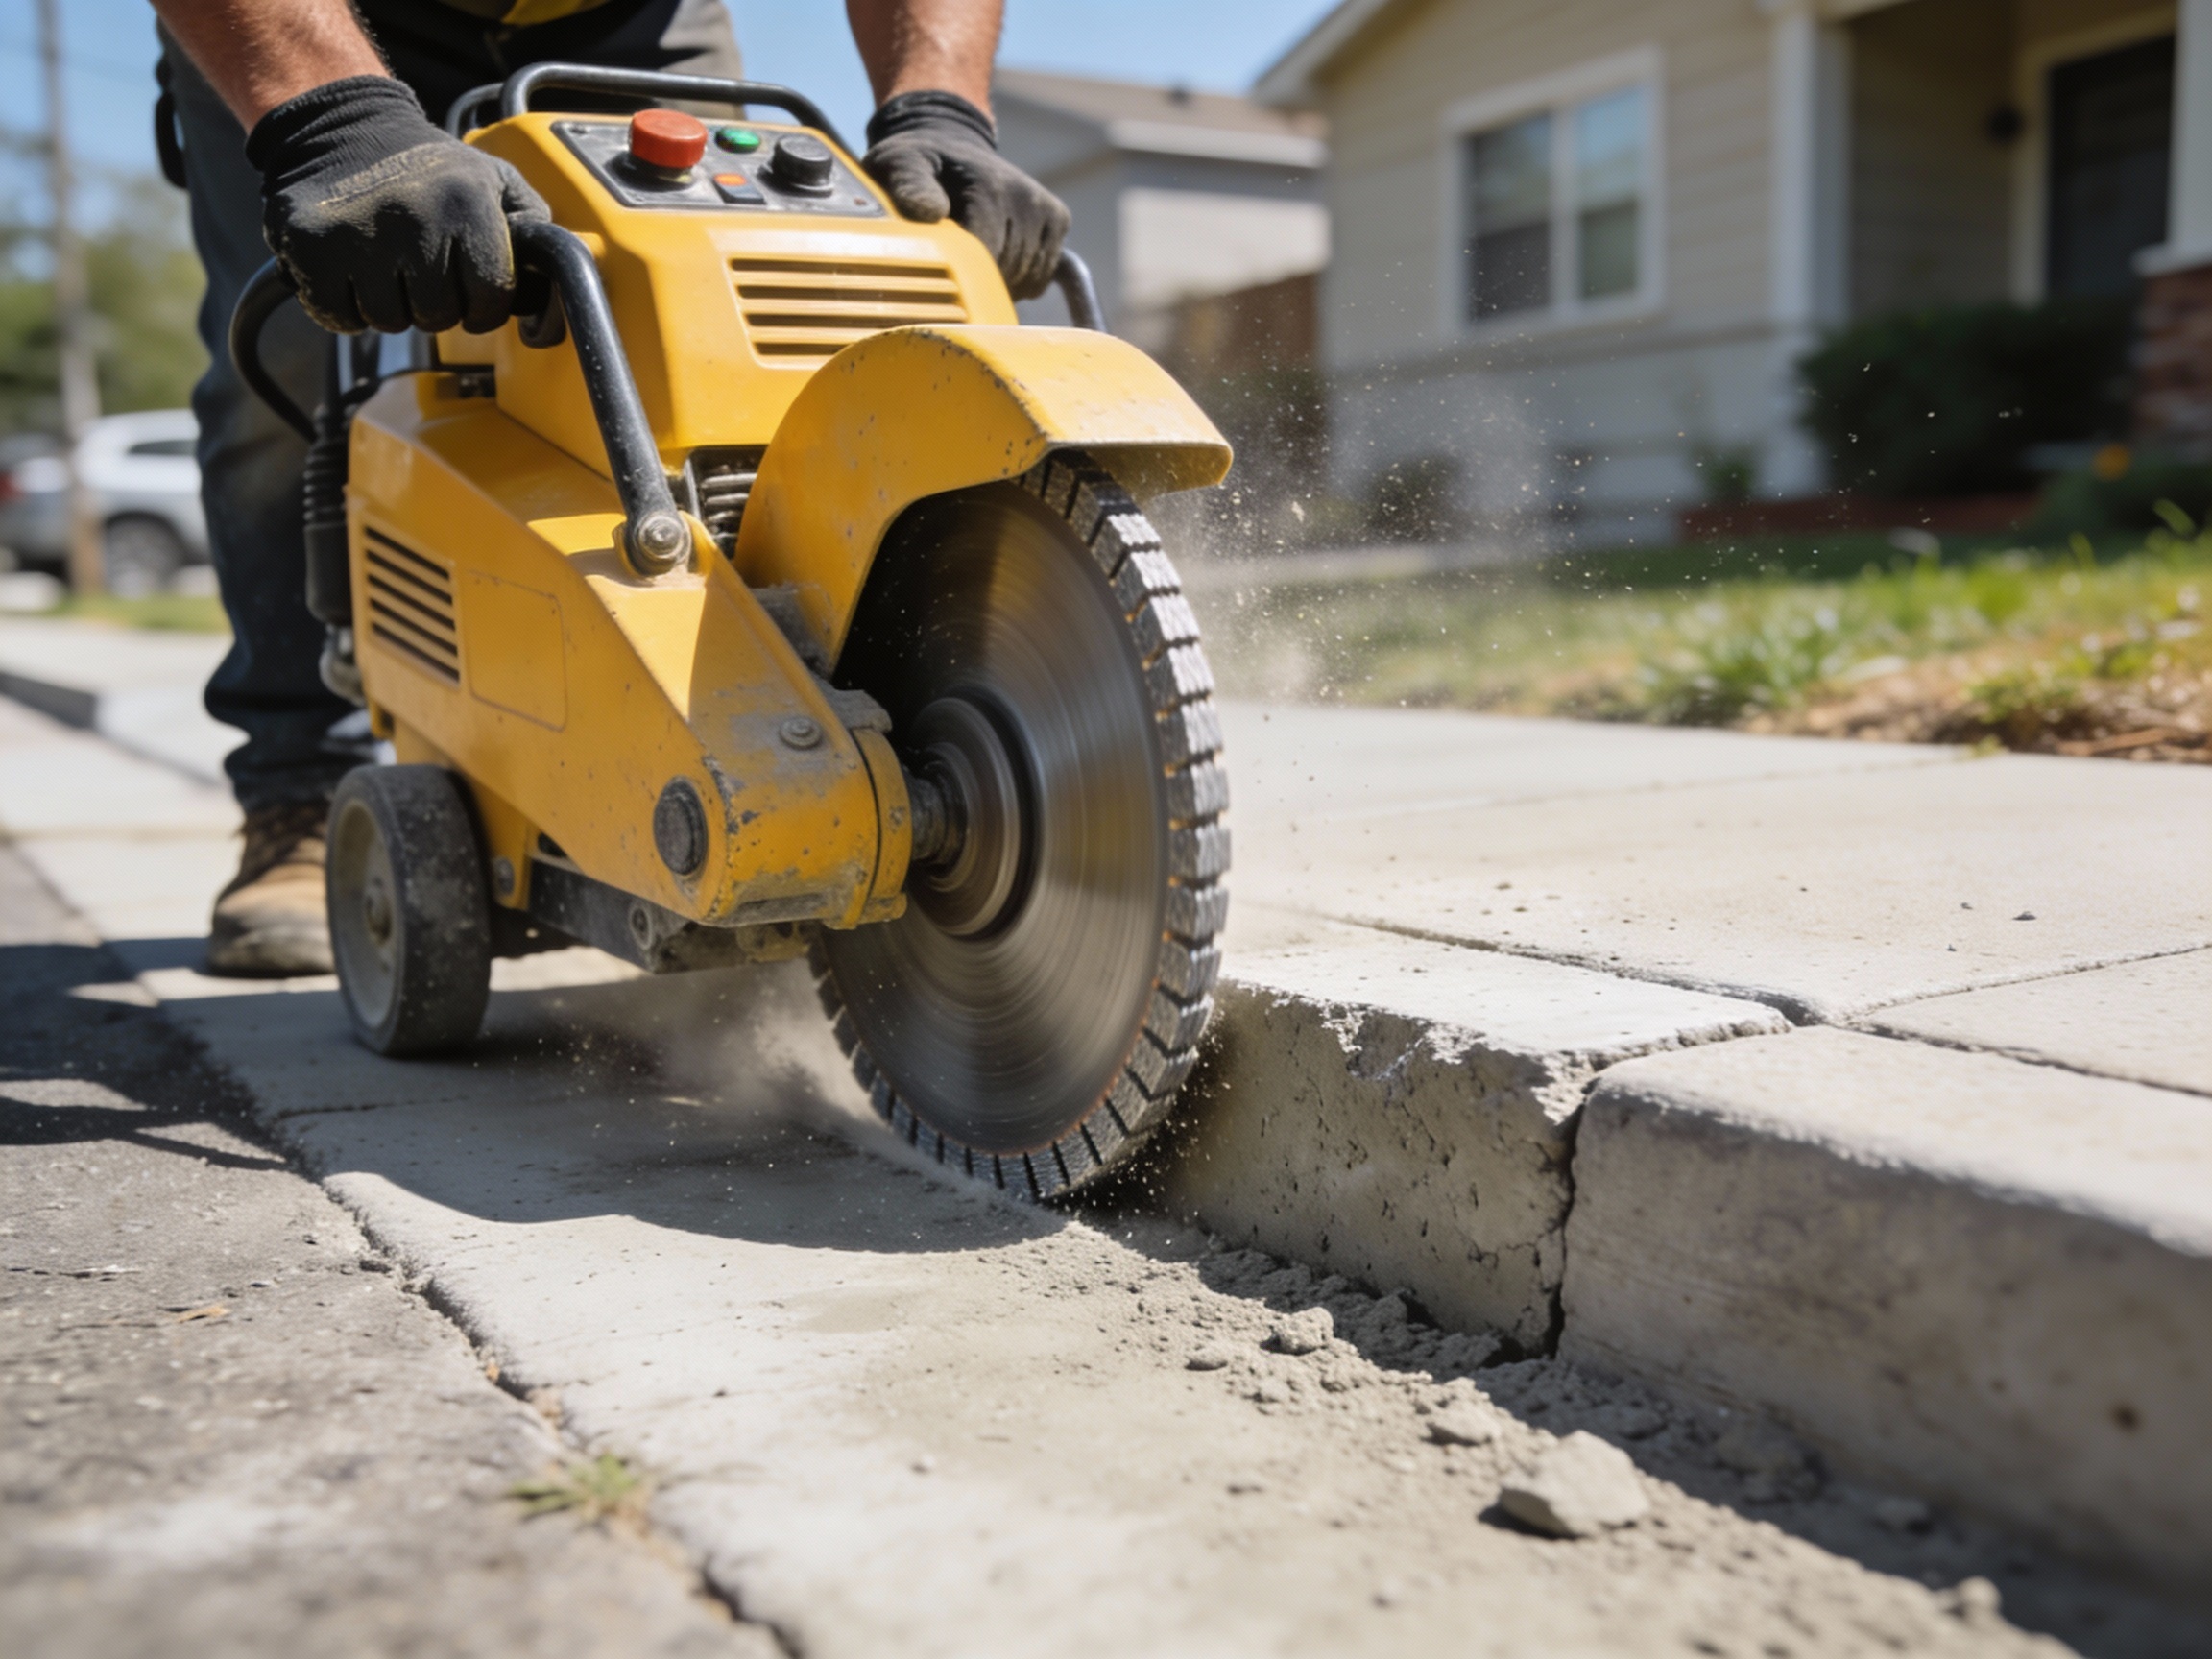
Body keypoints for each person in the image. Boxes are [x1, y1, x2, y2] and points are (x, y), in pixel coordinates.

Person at [147, 0, 1070, 975]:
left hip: (632, 21)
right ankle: (299, 793)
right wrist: (329, 118)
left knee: (721, 336)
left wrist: (940, 105)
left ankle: (764, 729)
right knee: (295, 349)